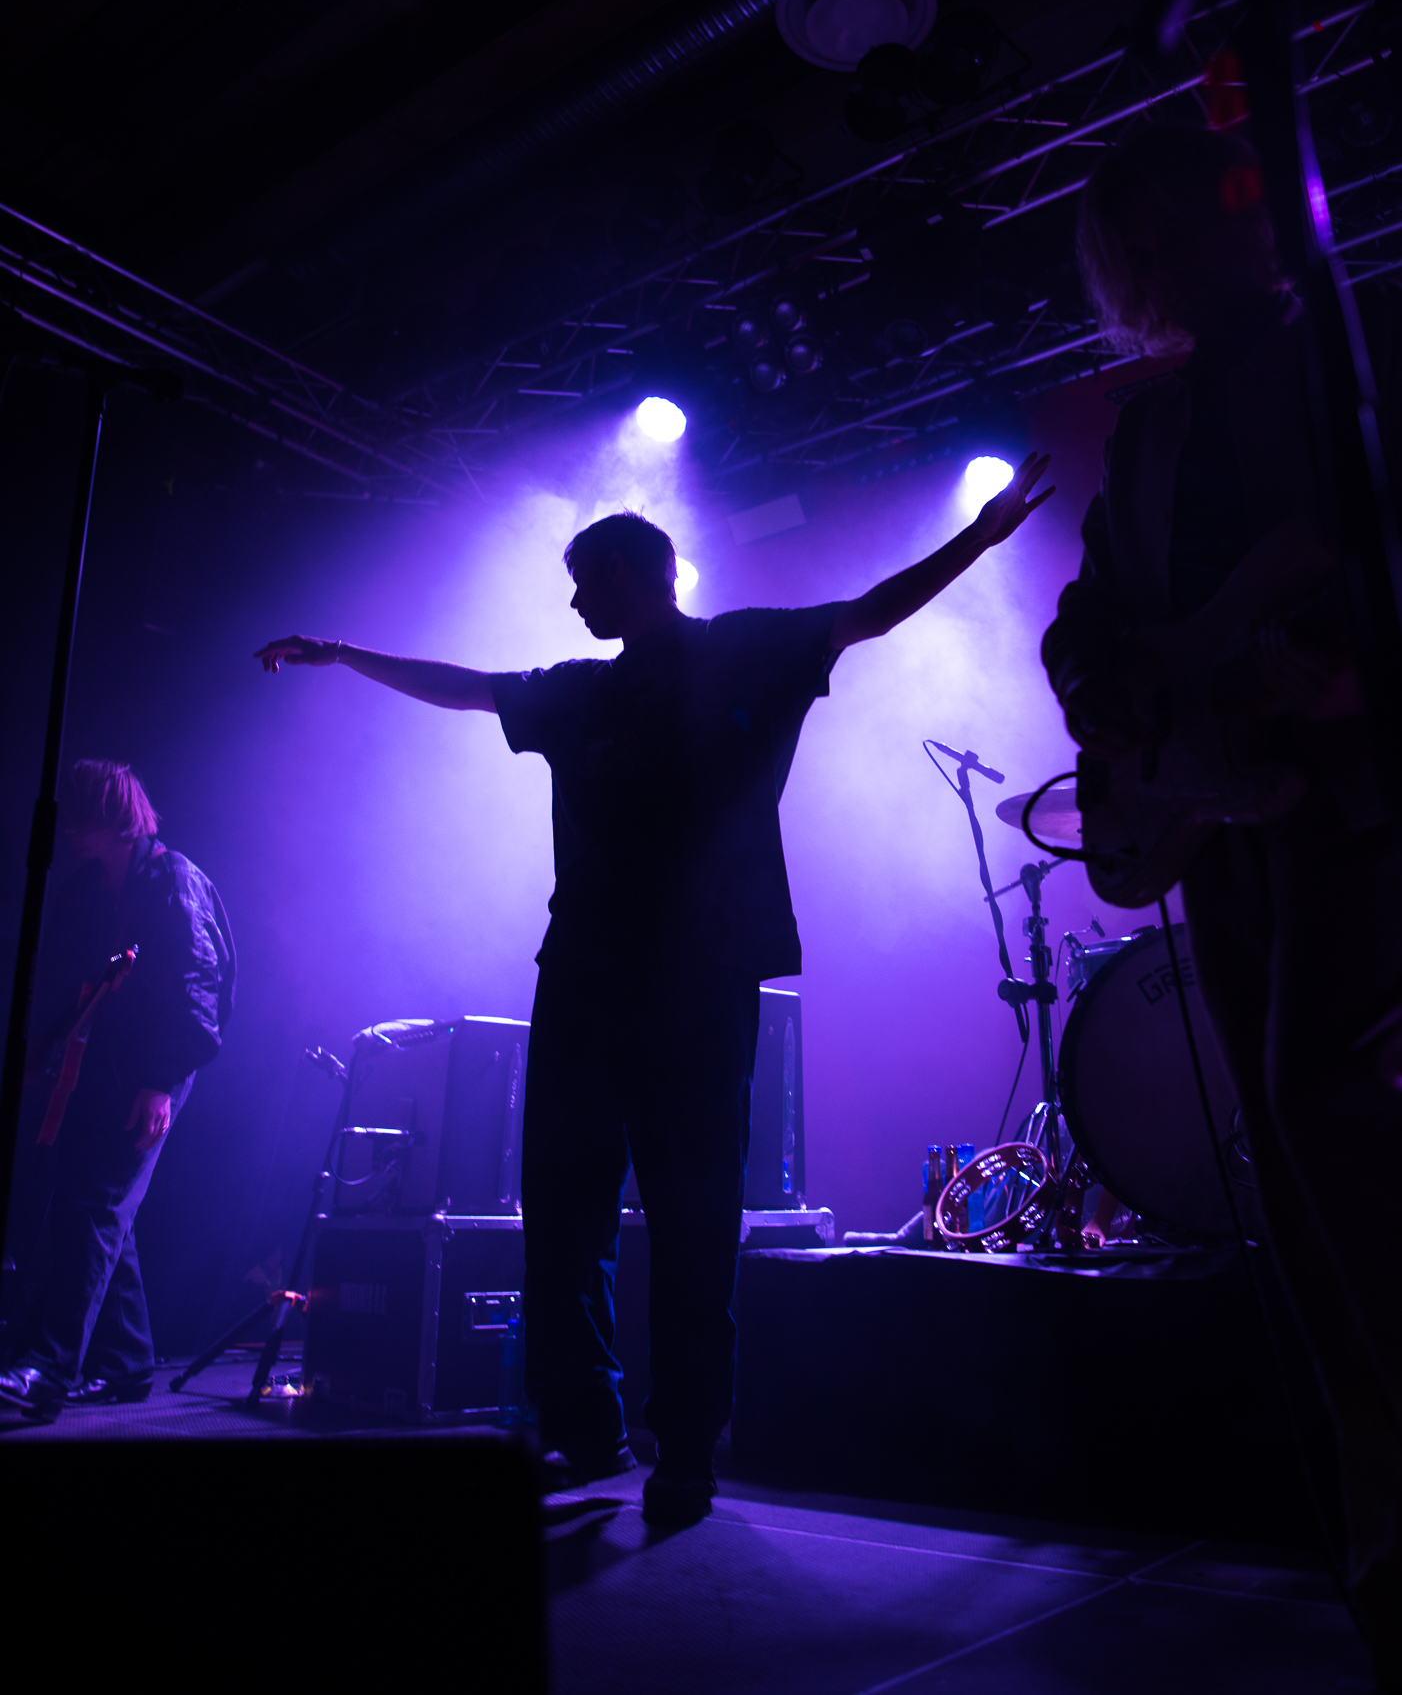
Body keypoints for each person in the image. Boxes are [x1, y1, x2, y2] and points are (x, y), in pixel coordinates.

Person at [255, 470, 1049, 1523]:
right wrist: (347, 655)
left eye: (586, 582)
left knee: (692, 1214)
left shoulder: (745, 649)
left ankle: (685, 1449)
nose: (574, 602)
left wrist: (980, 537)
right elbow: (469, 687)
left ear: (635, 576)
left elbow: (868, 613)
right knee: (564, 1213)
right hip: (585, 972)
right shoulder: (581, 690)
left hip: (700, 974)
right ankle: (587, 1433)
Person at [1040, 122, 1402, 1676]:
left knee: (1318, 1094)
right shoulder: (1149, 429)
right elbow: (1087, 616)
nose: (1160, 261)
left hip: (1353, 795)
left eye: (1173, 223)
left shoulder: (1351, 344)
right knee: (1282, 1140)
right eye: (1133, 244)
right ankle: (1379, 1520)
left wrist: (1321, 671)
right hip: (1223, 819)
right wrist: (1117, 702)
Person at [0, 760, 236, 1420]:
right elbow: (69, 980)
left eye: (83, 815)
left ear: (114, 816)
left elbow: (197, 986)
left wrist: (161, 1081)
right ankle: (125, 1361)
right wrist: (42, 1052)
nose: (71, 829)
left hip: (152, 1071)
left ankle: (47, 1369)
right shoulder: (88, 889)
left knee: (97, 1205)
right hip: (100, 1067)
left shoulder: (174, 882)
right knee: (96, 1208)